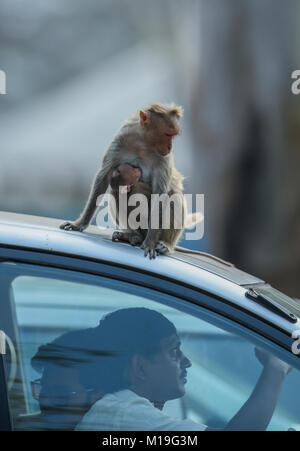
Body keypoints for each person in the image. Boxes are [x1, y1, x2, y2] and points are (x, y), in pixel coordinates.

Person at [32, 307, 291, 431]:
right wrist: (275, 370)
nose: (186, 362)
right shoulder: (121, 413)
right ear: (140, 367)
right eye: (174, 351)